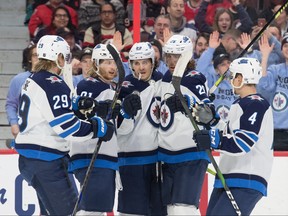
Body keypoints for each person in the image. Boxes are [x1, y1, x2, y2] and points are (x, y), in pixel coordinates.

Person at [14, 35, 114, 215]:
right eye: (65, 57)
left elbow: (49, 108)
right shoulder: (52, 83)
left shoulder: (33, 79)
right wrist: (97, 128)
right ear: (58, 57)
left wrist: (85, 105)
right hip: (46, 161)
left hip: (31, 158)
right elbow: (68, 127)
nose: (66, 62)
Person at [193, 57, 274, 215]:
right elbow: (230, 134)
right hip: (230, 176)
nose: (230, 80)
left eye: (233, 76)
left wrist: (212, 139)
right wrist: (213, 121)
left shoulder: (256, 104)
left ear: (240, 78)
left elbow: (242, 143)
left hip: (246, 178)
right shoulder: (241, 103)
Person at [158, 35, 218, 215]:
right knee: (171, 210)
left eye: (176, 56)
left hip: (191, 153)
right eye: (168, 56)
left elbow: (209, 116)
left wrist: (189, 102)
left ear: (186, 56)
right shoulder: (164, 79)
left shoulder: (194, 77)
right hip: (167, 155)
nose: (171, 61)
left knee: (183, 210)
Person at [69, 43, 120, 215]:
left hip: (103, 156)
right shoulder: (89, 85)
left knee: (96, 209)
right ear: (96, 64)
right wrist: (98, 108)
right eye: (107, 62)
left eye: (114, 62)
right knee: (93, 210)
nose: (112, 67)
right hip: (90, 155)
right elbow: (81, 113)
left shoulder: (109, 87)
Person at [116, 42, 166, 215]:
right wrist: (125, 113)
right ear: (130, 65)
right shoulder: (124, 87)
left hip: (157, 161)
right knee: (131, 212)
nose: (141, 67)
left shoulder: (163, 82)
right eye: (136, 63)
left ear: (152, 62)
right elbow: (119, 129)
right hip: (130, 160)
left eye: (144, 62)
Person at [257, 33, 288, 151]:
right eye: (285, 46)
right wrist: (265, 56)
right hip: (276, 131)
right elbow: (263, 87)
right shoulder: (276, 69)